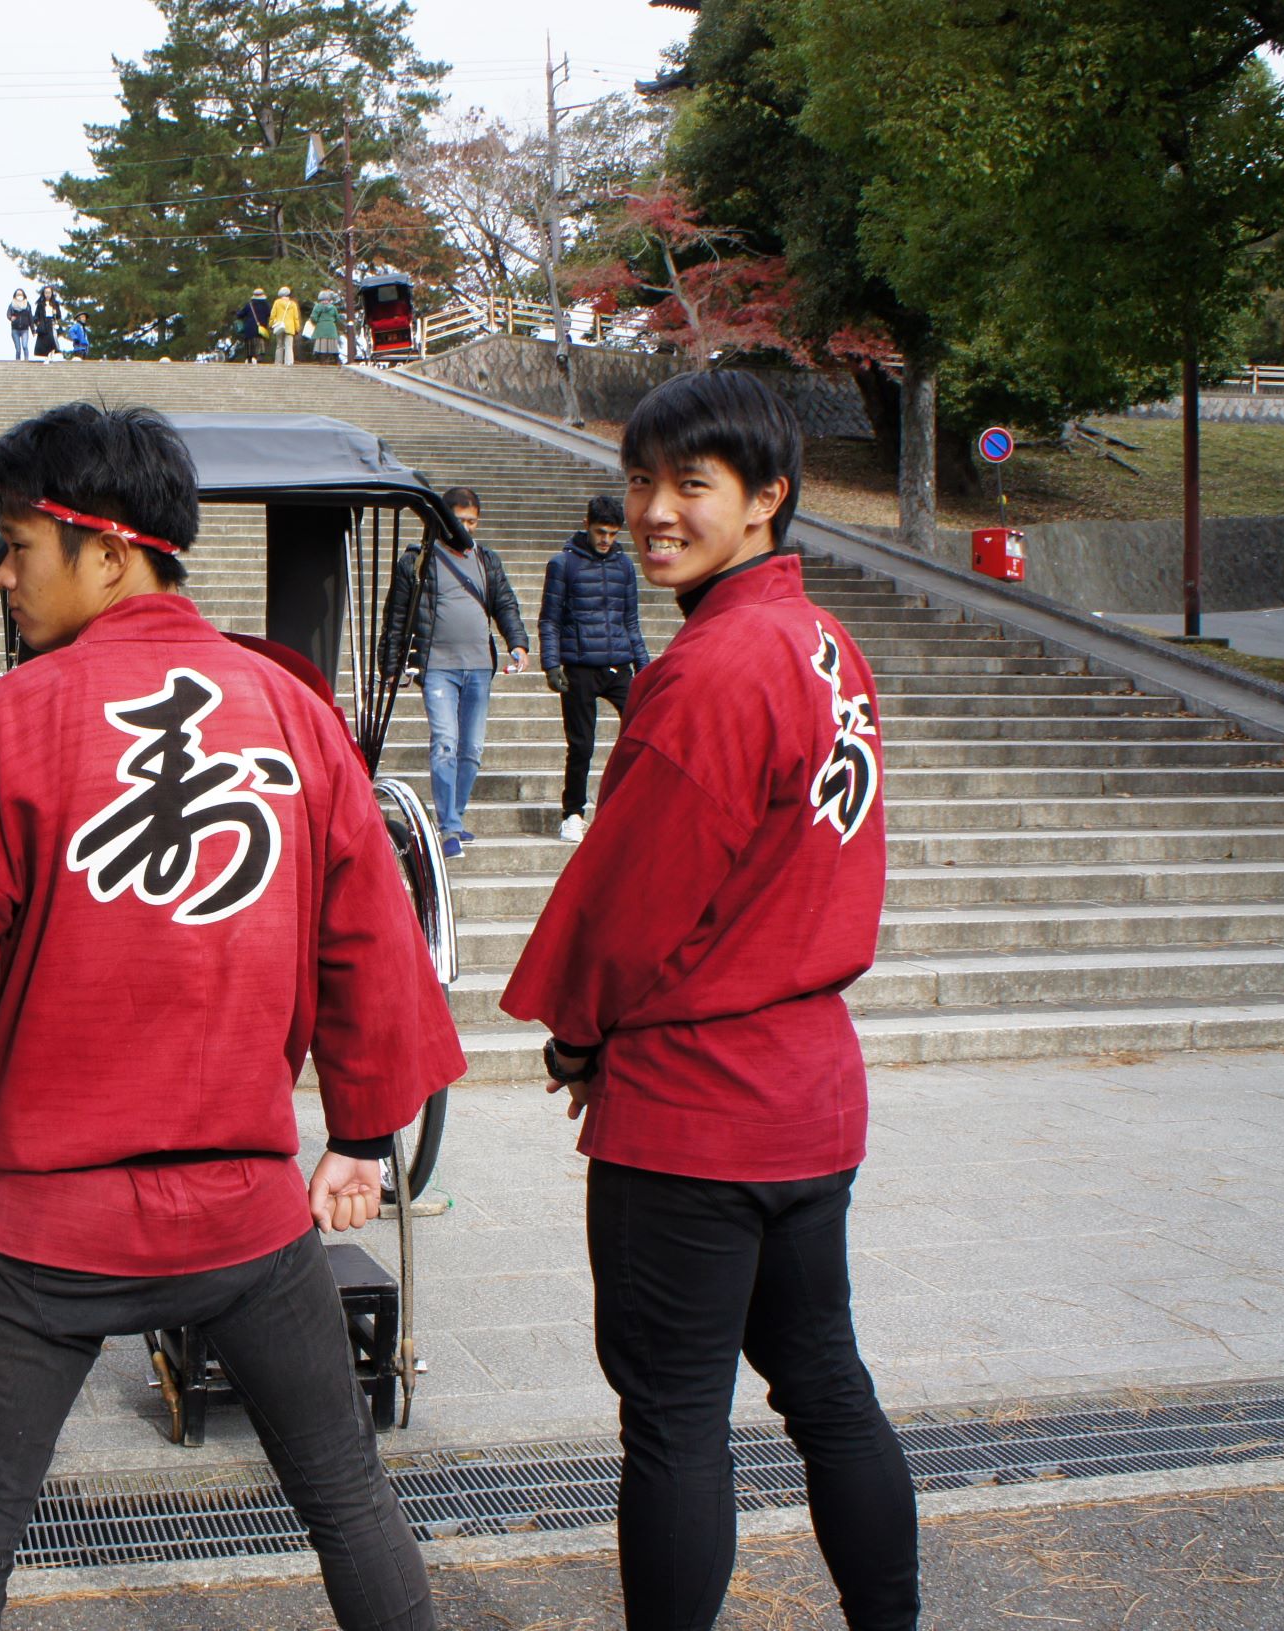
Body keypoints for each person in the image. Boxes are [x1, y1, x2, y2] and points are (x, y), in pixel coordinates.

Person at [0, 402, 462, 1631]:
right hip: (249, 1214)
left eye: (14, 544)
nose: (1, 573)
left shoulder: (7, 725)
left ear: (106, 549)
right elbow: (370, 942)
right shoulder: (293, 714)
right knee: (349, 1497)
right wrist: (363, 1131)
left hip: (53, 1225)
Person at [503, 372, 919, 1631]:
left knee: (677, 1420)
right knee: (826, 1384)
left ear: (768, 499)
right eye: (641, 482)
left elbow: (631, 899)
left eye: (692, 485)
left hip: (695, 1104)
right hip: (807, 1085)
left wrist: (578, 1031)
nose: (655, 512)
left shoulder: (716, 665)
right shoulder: (824, 644)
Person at [377, 485, 530, 860]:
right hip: (438, 666)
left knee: (472, 748)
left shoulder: (486, 560)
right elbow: (397, 616)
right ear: (442, 519)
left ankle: (456, 817)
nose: (466, 527)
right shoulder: (418, 561)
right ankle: (448, 826)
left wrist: (518, 641)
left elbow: (504, 603)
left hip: (479, 665)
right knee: (445, 742)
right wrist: (391, 665)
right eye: (459, 520)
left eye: (472, 521)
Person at [538, 494, 648, 845]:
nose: (606, 540)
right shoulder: (563, 564)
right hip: (579, 665)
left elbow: (631, 620)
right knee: (581, 745)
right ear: (587, 525)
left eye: (613, 534)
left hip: (618, 663)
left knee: (643, 732)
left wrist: (644, 667)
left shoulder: (624, 566)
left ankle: (631, 807)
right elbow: (550, 619)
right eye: (601, 532)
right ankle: (573, 813)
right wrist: (552, 664)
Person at [269, 285, 302, 365]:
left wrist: (271, 324)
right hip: (290, 327)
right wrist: (297, 328)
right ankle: (289, 362)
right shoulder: (293, 304)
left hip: (279, 326)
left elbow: (273, 314)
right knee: (289, 346)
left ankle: (278, 362)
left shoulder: (277, 302)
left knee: (279, 345)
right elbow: (296, 317)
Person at [310, 288, 344, 364]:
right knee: (333, 346)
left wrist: (318, 322)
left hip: (321, 328)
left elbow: (313, 317)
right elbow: (337, 318)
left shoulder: (318, 307)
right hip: (331, 329)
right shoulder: (333, 308)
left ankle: (322, 362)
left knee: (321, 347)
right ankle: (336, 361)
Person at [239, 288, 270, 362]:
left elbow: (240, 314)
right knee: (260, 342)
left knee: (250, 343)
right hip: (261, 328)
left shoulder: (249, 304)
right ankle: (258, 357)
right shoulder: (266, 304)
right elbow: (270, 314)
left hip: (249, 328)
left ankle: (250, 358)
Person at [33, 286, 63, 359]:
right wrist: (38, 323)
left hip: (52, 323)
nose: (47, 294)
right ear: (43, 294)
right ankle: (43, 357)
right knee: (42, 341)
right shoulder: (40, 304)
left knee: (52, 339)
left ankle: (54, 355)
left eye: (49, 292)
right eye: (46, 293)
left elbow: (59, 316)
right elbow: (35, 316)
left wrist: (55, 313)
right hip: (43, 325)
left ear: (51, 293)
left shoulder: (56, 304)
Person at [7, 287, 33, 361]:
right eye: (18, 294)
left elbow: (30, 317)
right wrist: (10, 317)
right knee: (18, 349)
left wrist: (33, 330)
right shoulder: (12, 305)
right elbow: (8, 313)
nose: (19, 296)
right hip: (15, 329)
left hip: (25, 329)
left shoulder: (27, 305)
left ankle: (26, 360)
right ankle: (18, 362)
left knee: (25, 346)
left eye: (21, 294)